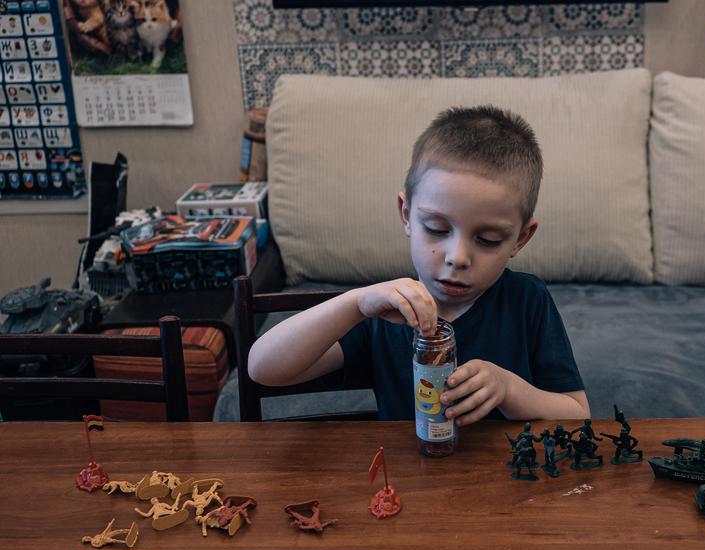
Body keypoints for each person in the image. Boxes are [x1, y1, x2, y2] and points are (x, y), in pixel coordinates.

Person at [248, 105, 589, 426]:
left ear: (520, 238)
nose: (458, 257)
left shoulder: (527, 300)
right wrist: (354, 304)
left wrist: (510, 389)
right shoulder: (383, 314)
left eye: (487, 239)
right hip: (407, 483)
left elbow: (578, 413)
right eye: (437, 229)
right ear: (407, 215)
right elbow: (263, 368)